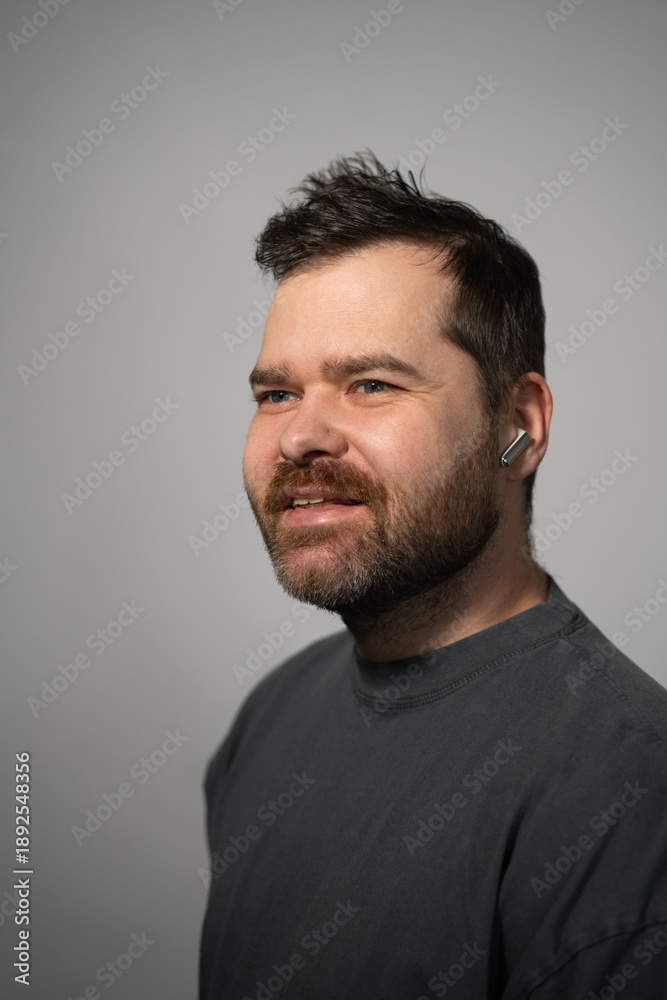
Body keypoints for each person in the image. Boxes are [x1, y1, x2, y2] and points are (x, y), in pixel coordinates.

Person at [199, 152, 667, 999]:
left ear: (518, 427)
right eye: (275, 394)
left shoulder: (629, 793)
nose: (299, 436)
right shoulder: (269, 718)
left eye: (370, 384)